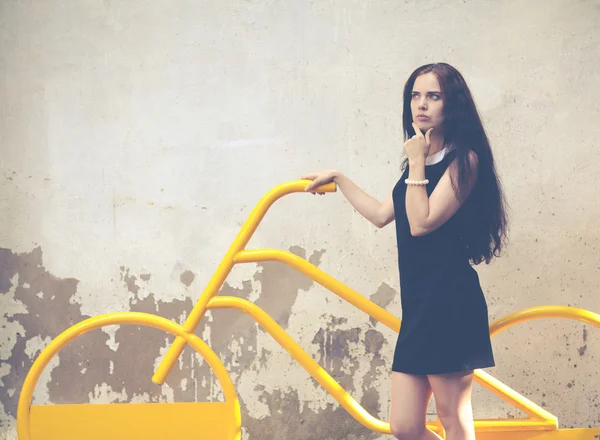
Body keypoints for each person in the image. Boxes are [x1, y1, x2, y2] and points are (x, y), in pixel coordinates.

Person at [301, 62, 508, 440]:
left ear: (453, 104)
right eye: (415, 95)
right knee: (405, 426)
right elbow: (382, 215)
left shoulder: (465, 161)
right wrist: (340, 179)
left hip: (450, 303)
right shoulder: (420, 161)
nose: (421, 104)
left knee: (453, 419)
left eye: (433, 95)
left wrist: (416, 161)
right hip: (419, 307)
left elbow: (420, 222)